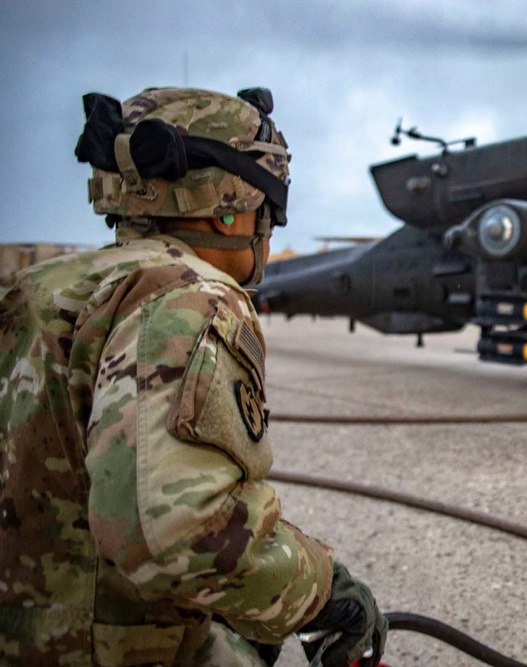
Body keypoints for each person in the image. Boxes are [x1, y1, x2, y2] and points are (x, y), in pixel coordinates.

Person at [0, 87, 387, 666]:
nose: (270, 224)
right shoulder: (190, 299)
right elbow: (181, 538)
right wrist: (321, 590)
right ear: (228, 205)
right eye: (268, 202)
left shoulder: (43, 286)